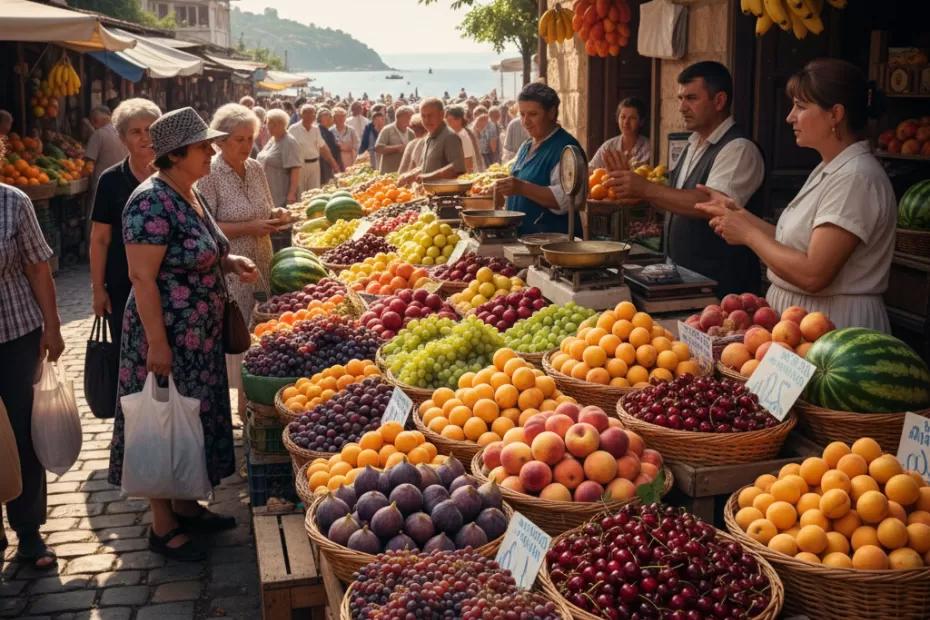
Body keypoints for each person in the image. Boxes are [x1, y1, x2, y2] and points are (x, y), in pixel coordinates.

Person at [110, 107, 258, 561]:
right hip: (168, 335)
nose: (211, 152)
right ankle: (162, 524)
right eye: (203, 146)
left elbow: (203, 250)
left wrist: (230, 262)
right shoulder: (149, 201)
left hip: (200, 336)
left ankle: (186, 506)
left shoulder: (190, 193)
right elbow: (142, 277)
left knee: (191, 418)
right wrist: (157, 342)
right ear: (176, 155)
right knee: (162, 422)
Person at [696, 59, 895, 331]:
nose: (790, 117)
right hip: (802, 321)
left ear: (835, 114)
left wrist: (748, 234)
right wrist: (741, 216)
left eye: (800, 107)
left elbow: (814, 274)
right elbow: (795, 244)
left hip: (833, 325)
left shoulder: (855, 178)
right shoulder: (829, 168)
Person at [605, 61, 765, 296]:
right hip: (687, 279)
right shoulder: (692, 144)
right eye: (680, 98)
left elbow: (710, 205)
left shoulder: (739, 149)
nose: (682, 107)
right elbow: (677, 200)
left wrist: (646, 189)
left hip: (723, 288)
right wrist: (637, 193)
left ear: (719, 101)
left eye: (691, 98)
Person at [0, 138, 65, 570]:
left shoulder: (13, 201)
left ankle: (29, 532)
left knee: (24, 432)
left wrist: (53, 326)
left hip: (16, 335)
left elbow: (38, 267)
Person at [89, 98, 161, 371]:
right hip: (124, 286)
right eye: (136, 131)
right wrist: (98, 289)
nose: (145, 137)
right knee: (131, 358)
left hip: (171, 284)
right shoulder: (111, 180)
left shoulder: (175, 174)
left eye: (150, 128)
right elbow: (100, 238)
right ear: (122, 138)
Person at [494, 83, 583, 236]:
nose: (525, 121)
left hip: (552, 246)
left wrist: (521, 187)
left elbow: (568, 200)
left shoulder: (565, 149)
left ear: (551, 112)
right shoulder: (526, 146)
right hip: (524, 240)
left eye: (533, 114)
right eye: (522, 114)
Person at [398, 98, 466, 186]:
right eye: (423, 116)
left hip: (445, 196)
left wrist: (426, 177)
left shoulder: (449, 137)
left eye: (430, 116)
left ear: (441, 115)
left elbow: (458, 168)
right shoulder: (429, 137)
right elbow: (429, 166)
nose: (426, 120)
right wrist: (412, 174)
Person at [288, 105, 339, 195]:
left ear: (314, 116)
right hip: (300, 166)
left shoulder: (316, 129)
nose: (309, 116)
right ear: (301, 115)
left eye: (311, 114)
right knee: (301, 193)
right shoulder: (293, 129)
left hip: (315, 165)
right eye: (306, 113)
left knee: (315, 193)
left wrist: (333, 163)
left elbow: (323, 147)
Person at [589, 97, 651, 169]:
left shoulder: (648, 147)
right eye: (623, 117)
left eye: (632, 118)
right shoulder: (609, 146)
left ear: (641, 121)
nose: (626, 122)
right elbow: (591, 168)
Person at [258, 109, 302, 208]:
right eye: (268, 123)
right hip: (268, 192)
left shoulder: (289, 142)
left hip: (281, 193)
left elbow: (295, 169)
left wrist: (291, 194)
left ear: (282, 124)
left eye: (273, 124)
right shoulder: (273, 139)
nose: (269, 126)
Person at [86, 106, 129, 195]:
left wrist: (83, 176)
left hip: (103, 185)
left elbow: (89, 164)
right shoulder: (123, 133)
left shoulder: (98, 135)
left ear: (95, 120)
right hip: (123, 182)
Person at [375, 105, 414, 173]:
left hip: (405, 172)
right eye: (409, 117)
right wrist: (397, 148)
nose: (411, 119)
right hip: (388, 173)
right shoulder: (387, 130)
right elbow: (378, 148)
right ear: (399, 117)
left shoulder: (411, 133)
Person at [445, 105, 483, 173]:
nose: (448, 124)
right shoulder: (456, 135)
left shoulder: (463, 137)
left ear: (459, 120)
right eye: (447, 121)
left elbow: (468, 162)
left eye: (450, 120)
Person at [317, 108, 344, 185]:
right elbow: (324, 149)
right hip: (324, 164)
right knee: (326, 183)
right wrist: (334, 164)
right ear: (320, 118)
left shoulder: (327, 131)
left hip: (328, 163)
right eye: (326, 116)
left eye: (330, 116)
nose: (329, 118)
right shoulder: (319, 131)